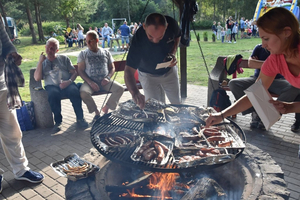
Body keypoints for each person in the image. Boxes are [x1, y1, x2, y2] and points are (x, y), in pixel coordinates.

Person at [206, 7, 300, 133]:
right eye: (261, 39)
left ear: (286, 32)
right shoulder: (275, 60)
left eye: (266, 39)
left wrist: (292, 107)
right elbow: (255, 93)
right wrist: (221, 115)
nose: (263, 45)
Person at [0, 18, 44, 193]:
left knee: (13, 131)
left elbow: (5, 42)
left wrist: (12, 53)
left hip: (3, 85)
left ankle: (21, 170)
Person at [229, 44, 300, 131]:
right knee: (234, 83)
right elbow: (251, 63)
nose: (264, 43)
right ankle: (255, 111)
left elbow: (275, 64)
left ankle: (273, 112)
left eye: (266, 38)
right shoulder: (259, 48)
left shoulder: (281, 51)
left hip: (278, 81)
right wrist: (272, 64)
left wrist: (261, 63)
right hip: (257, 79)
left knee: (295, 88)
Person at [124, 13, 181, 109]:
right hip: (148, 75)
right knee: (155, 108)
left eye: (160, 37)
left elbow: (177, 36)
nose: (155, 41)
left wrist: (173, 52)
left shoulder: (172, 24)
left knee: (177, 104)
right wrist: (135, 93)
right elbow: (129, 71)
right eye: (150, 36)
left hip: (169, 72)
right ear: (144, 26)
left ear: (166, 26)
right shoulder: (138, 39)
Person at [34, 38, 88, 132]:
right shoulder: (42, 62)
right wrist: (40, 62)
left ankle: (80, 118)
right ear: (45, 47)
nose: (50, 50)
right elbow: (37, 78)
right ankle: (58, 122)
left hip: (67, 83)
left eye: (53, 48)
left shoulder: (64, 58)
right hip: (51, 86)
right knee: (53, 94)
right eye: (48, 47)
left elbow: (74, 72)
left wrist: (69, 81)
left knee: (74, 91)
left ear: (57, 50)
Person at [77, 30, 124, 123]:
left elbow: (112, 68)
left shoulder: (106, 52)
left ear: (97, 40)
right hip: (90, 82)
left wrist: (108, 78)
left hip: (105, 81)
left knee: (120, 88)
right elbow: (80, 70)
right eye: (86, 41)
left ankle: (106, 108)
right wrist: (90, 82)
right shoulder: (83, 54)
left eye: (90, 41)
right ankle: (96, 113)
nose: (88, 43)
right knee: (83, 92)